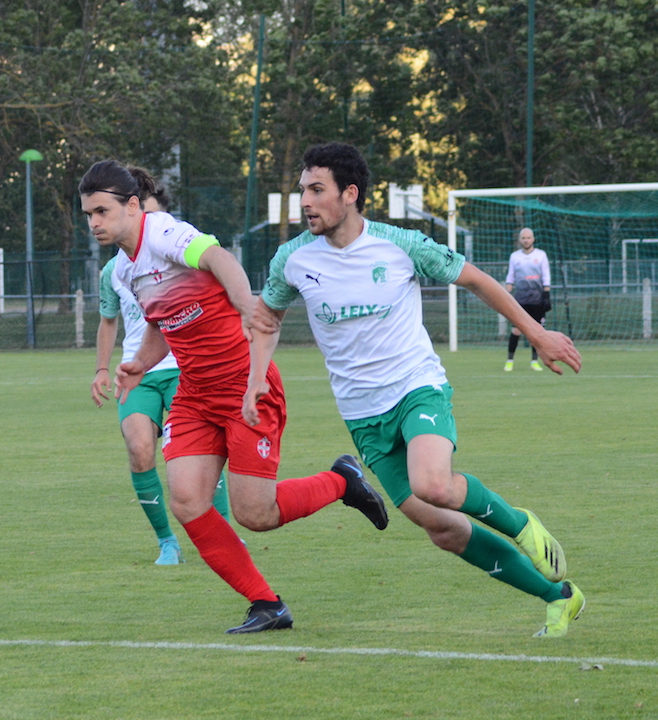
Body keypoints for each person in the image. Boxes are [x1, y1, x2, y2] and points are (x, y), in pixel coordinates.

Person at [247, 142, 585, 637]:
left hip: (416, 389)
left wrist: (536, 333)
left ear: (350, 194)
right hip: (363, 416)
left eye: (317, 190)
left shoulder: (401, 244)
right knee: (442, 529)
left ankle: (520, 523)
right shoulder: (292, 260)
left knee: (434, 485)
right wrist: (257, 374)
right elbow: (267, 316)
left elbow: (476, 280)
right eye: (302, 191)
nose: (306, 202)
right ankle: (560, 598)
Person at [79, 159, 388, 634]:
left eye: (102, 211)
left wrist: (247, 303)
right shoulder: (123, 270)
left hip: (247, 384)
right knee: (186, 500)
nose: (95, 223)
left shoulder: (164, 234)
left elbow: (219, 258)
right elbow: (167, 320)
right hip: (195, 393)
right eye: (88, 215)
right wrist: (140, 361)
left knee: (255, 514)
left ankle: (341, 481)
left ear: (134, 206)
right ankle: (266, 604)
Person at [91, 170, 230, 566]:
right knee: (139, 450)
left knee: (197, 457)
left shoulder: (173, 247)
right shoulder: (114, 271)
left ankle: (220, 537)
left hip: (186, 367)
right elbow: (109, 320)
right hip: (141, 372)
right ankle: (167, 541)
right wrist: (103, 368)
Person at [504, 227, 551, 371]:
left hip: (537, 300)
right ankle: (510, 361)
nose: (526, 240)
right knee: (516, 330)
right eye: (523, 238)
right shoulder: (515, 256)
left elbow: (546, 276)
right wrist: (506, 297)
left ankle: (534, 362)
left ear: (533, 239)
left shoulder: (541, 255)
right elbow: (510, 277)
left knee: (537, 331)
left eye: (528, 238)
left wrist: (547, 296)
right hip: (520, 299)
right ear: (520, 240)